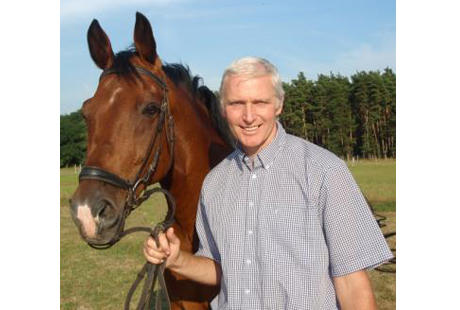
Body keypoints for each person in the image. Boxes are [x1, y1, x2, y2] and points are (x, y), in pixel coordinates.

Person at [144, 56, 393, 309]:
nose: (249, 116)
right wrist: (176, 260)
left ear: (279, 105)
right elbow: (221, 268)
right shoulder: (214, 184)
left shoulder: (325, 172)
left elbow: (351, 283)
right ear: (222, 108)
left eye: (260, 102)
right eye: (237, 103)